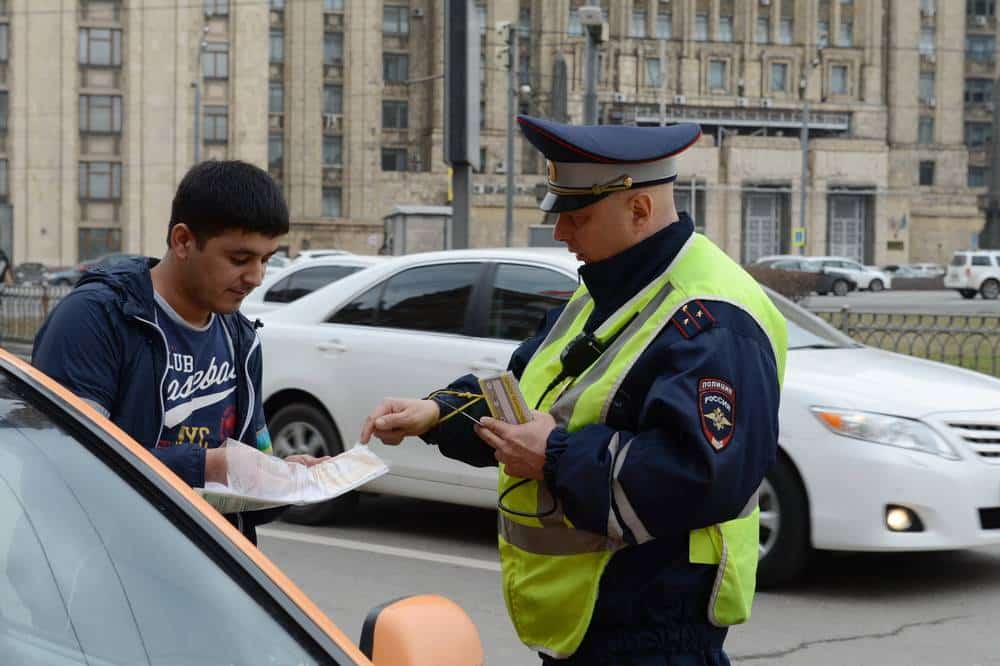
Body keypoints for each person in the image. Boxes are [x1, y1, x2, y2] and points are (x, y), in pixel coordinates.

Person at [362, 115, 787, 664]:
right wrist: (437, 413)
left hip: (654, 630)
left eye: (577, 217)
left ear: (639, 210)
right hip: (592, 625)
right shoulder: (610, 287)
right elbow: (529, 392)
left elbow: (702, 475)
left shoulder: (712, 316)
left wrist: (554, 457)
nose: (561, 235)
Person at [32, 160, 327, 544]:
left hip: (204, 568)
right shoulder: (96, 318)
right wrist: (206, 466)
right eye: (240, 259)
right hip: (100, 571)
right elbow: (69, 459)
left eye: (265, 259)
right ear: (183, 241)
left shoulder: (240, 336)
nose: (255, 277)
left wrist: (287, 481)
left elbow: (247, 475)